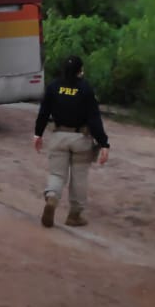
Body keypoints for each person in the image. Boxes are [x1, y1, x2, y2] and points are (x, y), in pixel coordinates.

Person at [33, 55, 111, 228]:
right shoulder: (85, 89)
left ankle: (52, 197)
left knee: (56, 175)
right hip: (80, 139)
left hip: (58, 136)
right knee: (79, 178)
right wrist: (104, 143)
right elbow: (94, 119)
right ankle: (74, 215)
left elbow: (43, 113)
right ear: (80, 71)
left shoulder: (53, 87)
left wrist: (37, 134)